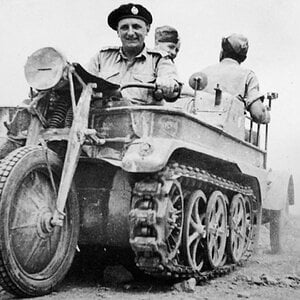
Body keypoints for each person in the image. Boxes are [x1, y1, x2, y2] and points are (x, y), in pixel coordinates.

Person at [87, 3, 180, 105]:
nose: (130, 33)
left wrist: (168, 84)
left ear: (147, 29)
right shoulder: (102, 57)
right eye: (124, 27)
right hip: (104, 117)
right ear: (118, 31)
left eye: (136, 27)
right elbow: (82, 84)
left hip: (144, 119)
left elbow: (172, 86)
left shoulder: (159, 59)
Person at [201, 33, 270, 124]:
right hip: (228, 132)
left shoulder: (204, 72)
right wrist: (266, 114)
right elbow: (258, 114)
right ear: (243, 57)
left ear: (223, 51)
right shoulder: (247, 76)